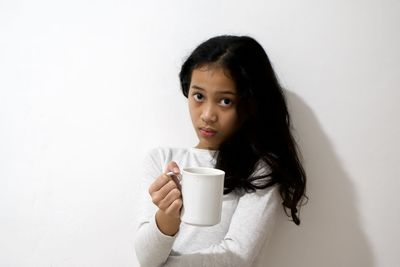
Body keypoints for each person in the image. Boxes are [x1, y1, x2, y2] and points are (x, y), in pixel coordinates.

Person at [134, 35, 307, 267]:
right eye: (198, 96)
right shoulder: (161, 160)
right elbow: (146, 258)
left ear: (250, 104)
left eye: (225, 101)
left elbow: (236, 256)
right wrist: (167, 214)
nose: (207, 115)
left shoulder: (259, 169)